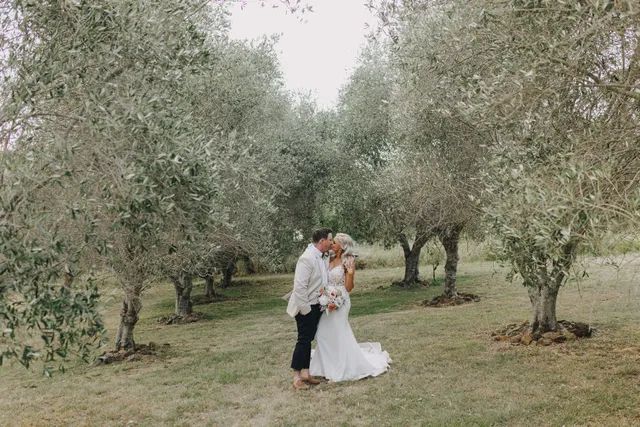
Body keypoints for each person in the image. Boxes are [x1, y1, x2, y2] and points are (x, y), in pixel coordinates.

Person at [309, 233, 391, 382]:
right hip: (327, 299)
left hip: (341, 300)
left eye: (334, 242)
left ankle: (341, 367)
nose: (331, 244)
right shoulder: (328, 258)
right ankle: (325, 366)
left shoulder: (349, 260)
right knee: (322, 333)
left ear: (342, 246)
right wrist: (325, 295)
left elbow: (349, 287)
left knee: (339, 333)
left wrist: (351, 274)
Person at [286, 228, 333, 390]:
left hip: (316, 305)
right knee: (304, 340)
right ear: (322, 241)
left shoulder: (320, 257)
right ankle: (297, 377)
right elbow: (299, 288)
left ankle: (306, 373)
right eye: (330, 239)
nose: (331, 242)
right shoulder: (306, 258)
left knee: (308, 339)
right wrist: (306, 310)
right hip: (305, 306)